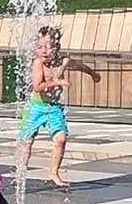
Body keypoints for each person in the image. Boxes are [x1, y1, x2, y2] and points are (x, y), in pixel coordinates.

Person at [20, 26, 101, 189]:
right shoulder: (38, 63)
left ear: (57, 47)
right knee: (27, 141)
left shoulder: (63, 62)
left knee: (61, 139)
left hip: (53, 108)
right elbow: (37, 86)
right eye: (39, 47)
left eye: (48, 46)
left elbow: (79, 66)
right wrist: (57, 82)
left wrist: (93, 74)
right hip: (35, 107)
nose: (44, 51)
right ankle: (20, 173)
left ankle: (54, 173)